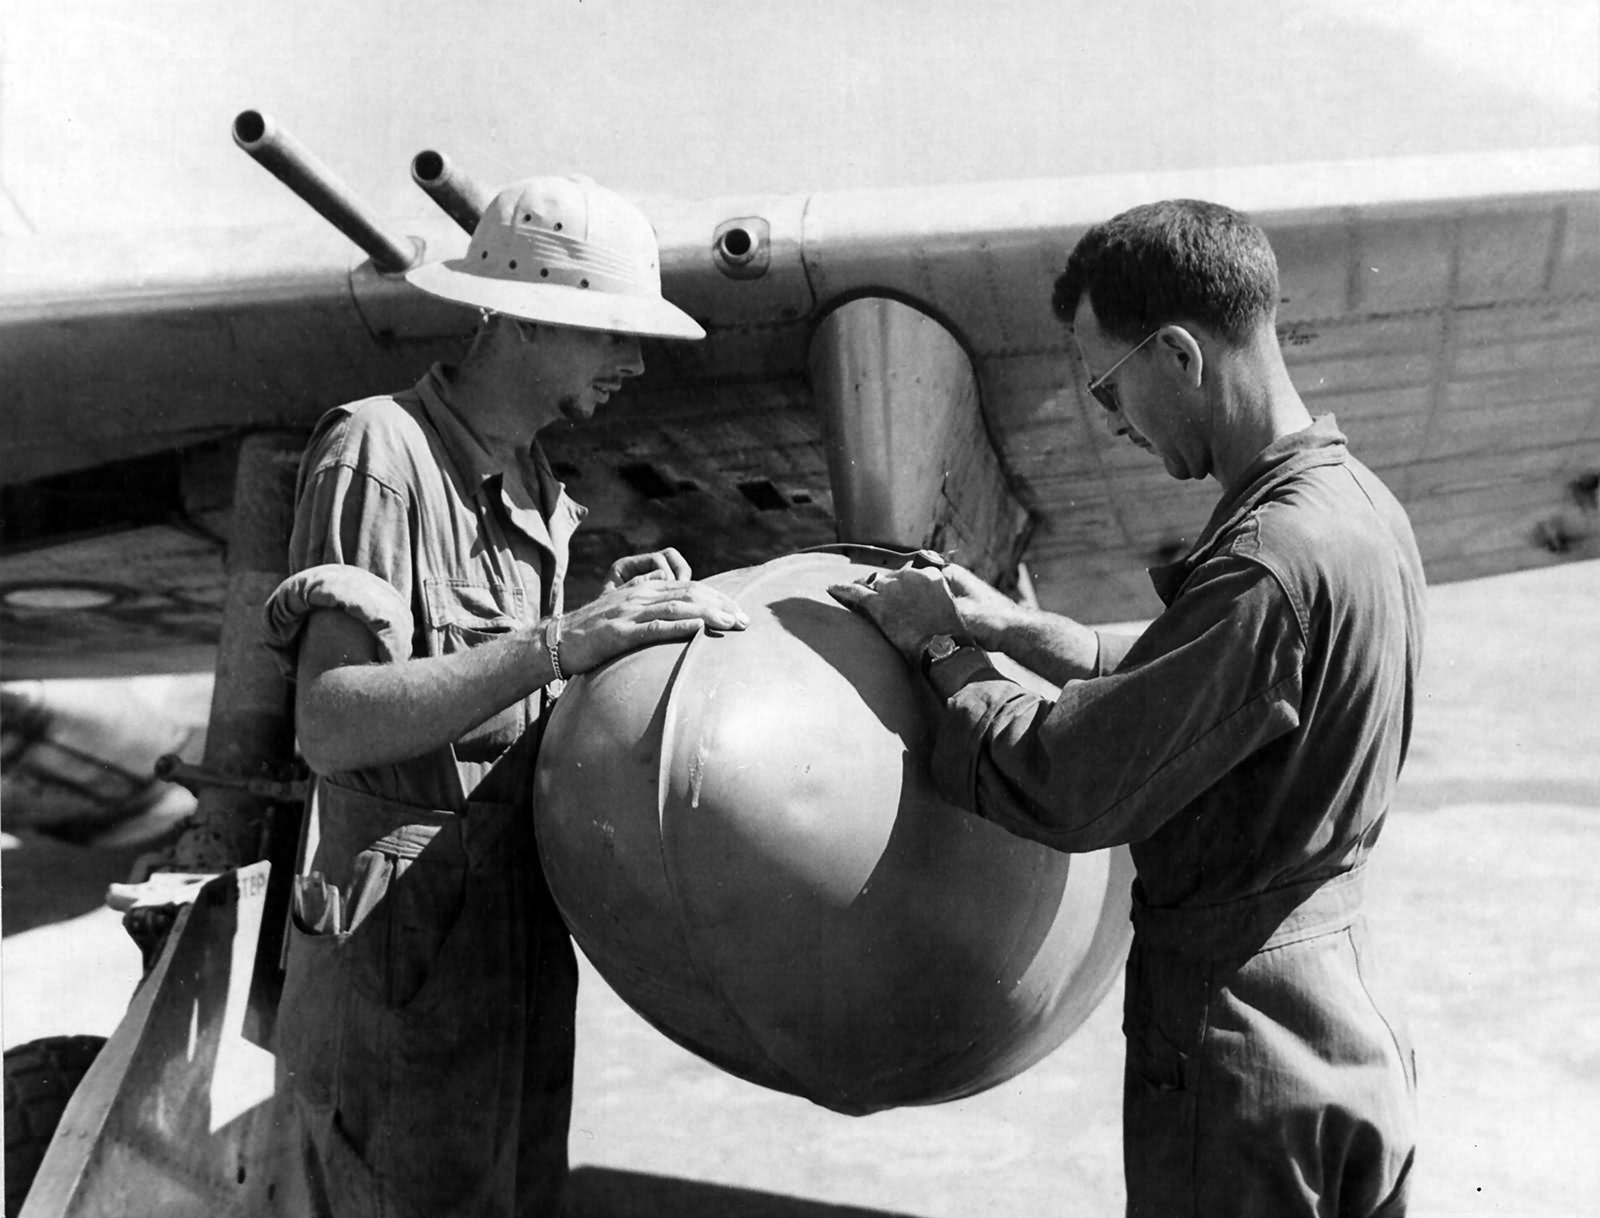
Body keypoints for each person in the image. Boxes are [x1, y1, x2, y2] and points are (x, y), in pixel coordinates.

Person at [831, 199, 1422, 1216]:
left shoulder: (1266, 563)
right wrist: (1017, 632)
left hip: (1244, 1040)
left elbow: (1069, 785)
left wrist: (934, 649)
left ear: (1180, 356)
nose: (1108, 418)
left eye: (1108, 385)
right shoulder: (1351, 509)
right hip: (1342, 1001)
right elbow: (1215, 671)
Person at [262, 175, 748, 1218]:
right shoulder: (379, 455)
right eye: (610, 335)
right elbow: (332, 720)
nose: (633, 364)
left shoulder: (531, 482)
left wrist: (599, 629)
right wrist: (557, 643)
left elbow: (500, 687)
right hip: (402, 943)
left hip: (508, 936)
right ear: (527, 318)